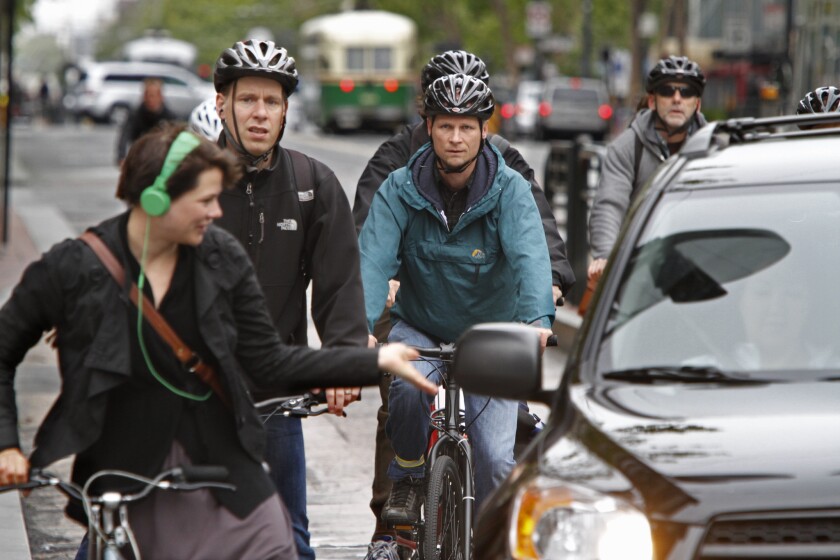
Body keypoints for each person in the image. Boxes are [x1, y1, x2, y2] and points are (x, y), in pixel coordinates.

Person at [0, 123, 435, 559]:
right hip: (124, 461)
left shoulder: (221, 258)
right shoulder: (76, 266)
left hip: (221, 451)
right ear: (157, 197)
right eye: (205, 201)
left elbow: (269, 361)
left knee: (277, 544)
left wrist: (368, 361)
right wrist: (6, 444)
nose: (215, 212)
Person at [353, 50, 573, 558]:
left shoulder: (510, 186)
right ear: (427, 126)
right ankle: (408, 478)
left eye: (466, 127)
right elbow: (370, 259)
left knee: (497, 456)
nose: (456, 137)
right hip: (422, 323)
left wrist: (539, 320)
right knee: (405, 391)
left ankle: (489, 544)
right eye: (445, 125)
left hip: (492, 333)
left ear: (483, 129)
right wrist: (360, 327)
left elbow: (532, 256)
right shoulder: (398, 186)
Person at [209, 39, 373, 560]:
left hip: (275, 390)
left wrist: (343, 362)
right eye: (248, 99)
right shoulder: (187, 179)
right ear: (221, 103)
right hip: (192, 391)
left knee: (291, 539)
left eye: (272, 102)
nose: (260, 113)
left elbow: (339, 285)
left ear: (285, 110)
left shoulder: (313, 183)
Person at [588, 55, 707, 285]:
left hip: (698, 262)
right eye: (667, 91)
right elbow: (609, 205)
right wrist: (605, 256)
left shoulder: (714, 149)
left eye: (686, 92)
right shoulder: (628, 147)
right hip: (640, 266)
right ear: (652, 101)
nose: (676, 98)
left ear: (697, 103)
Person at [115, 77, 178, 165]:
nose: (149, 99)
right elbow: (125, 135)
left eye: (152, 95)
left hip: (161, 160)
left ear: (160, 96)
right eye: (147, 95)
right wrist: (121, 156)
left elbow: (176, 140)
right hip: (140, 159)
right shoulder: (136, 115)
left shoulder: (169, 117)